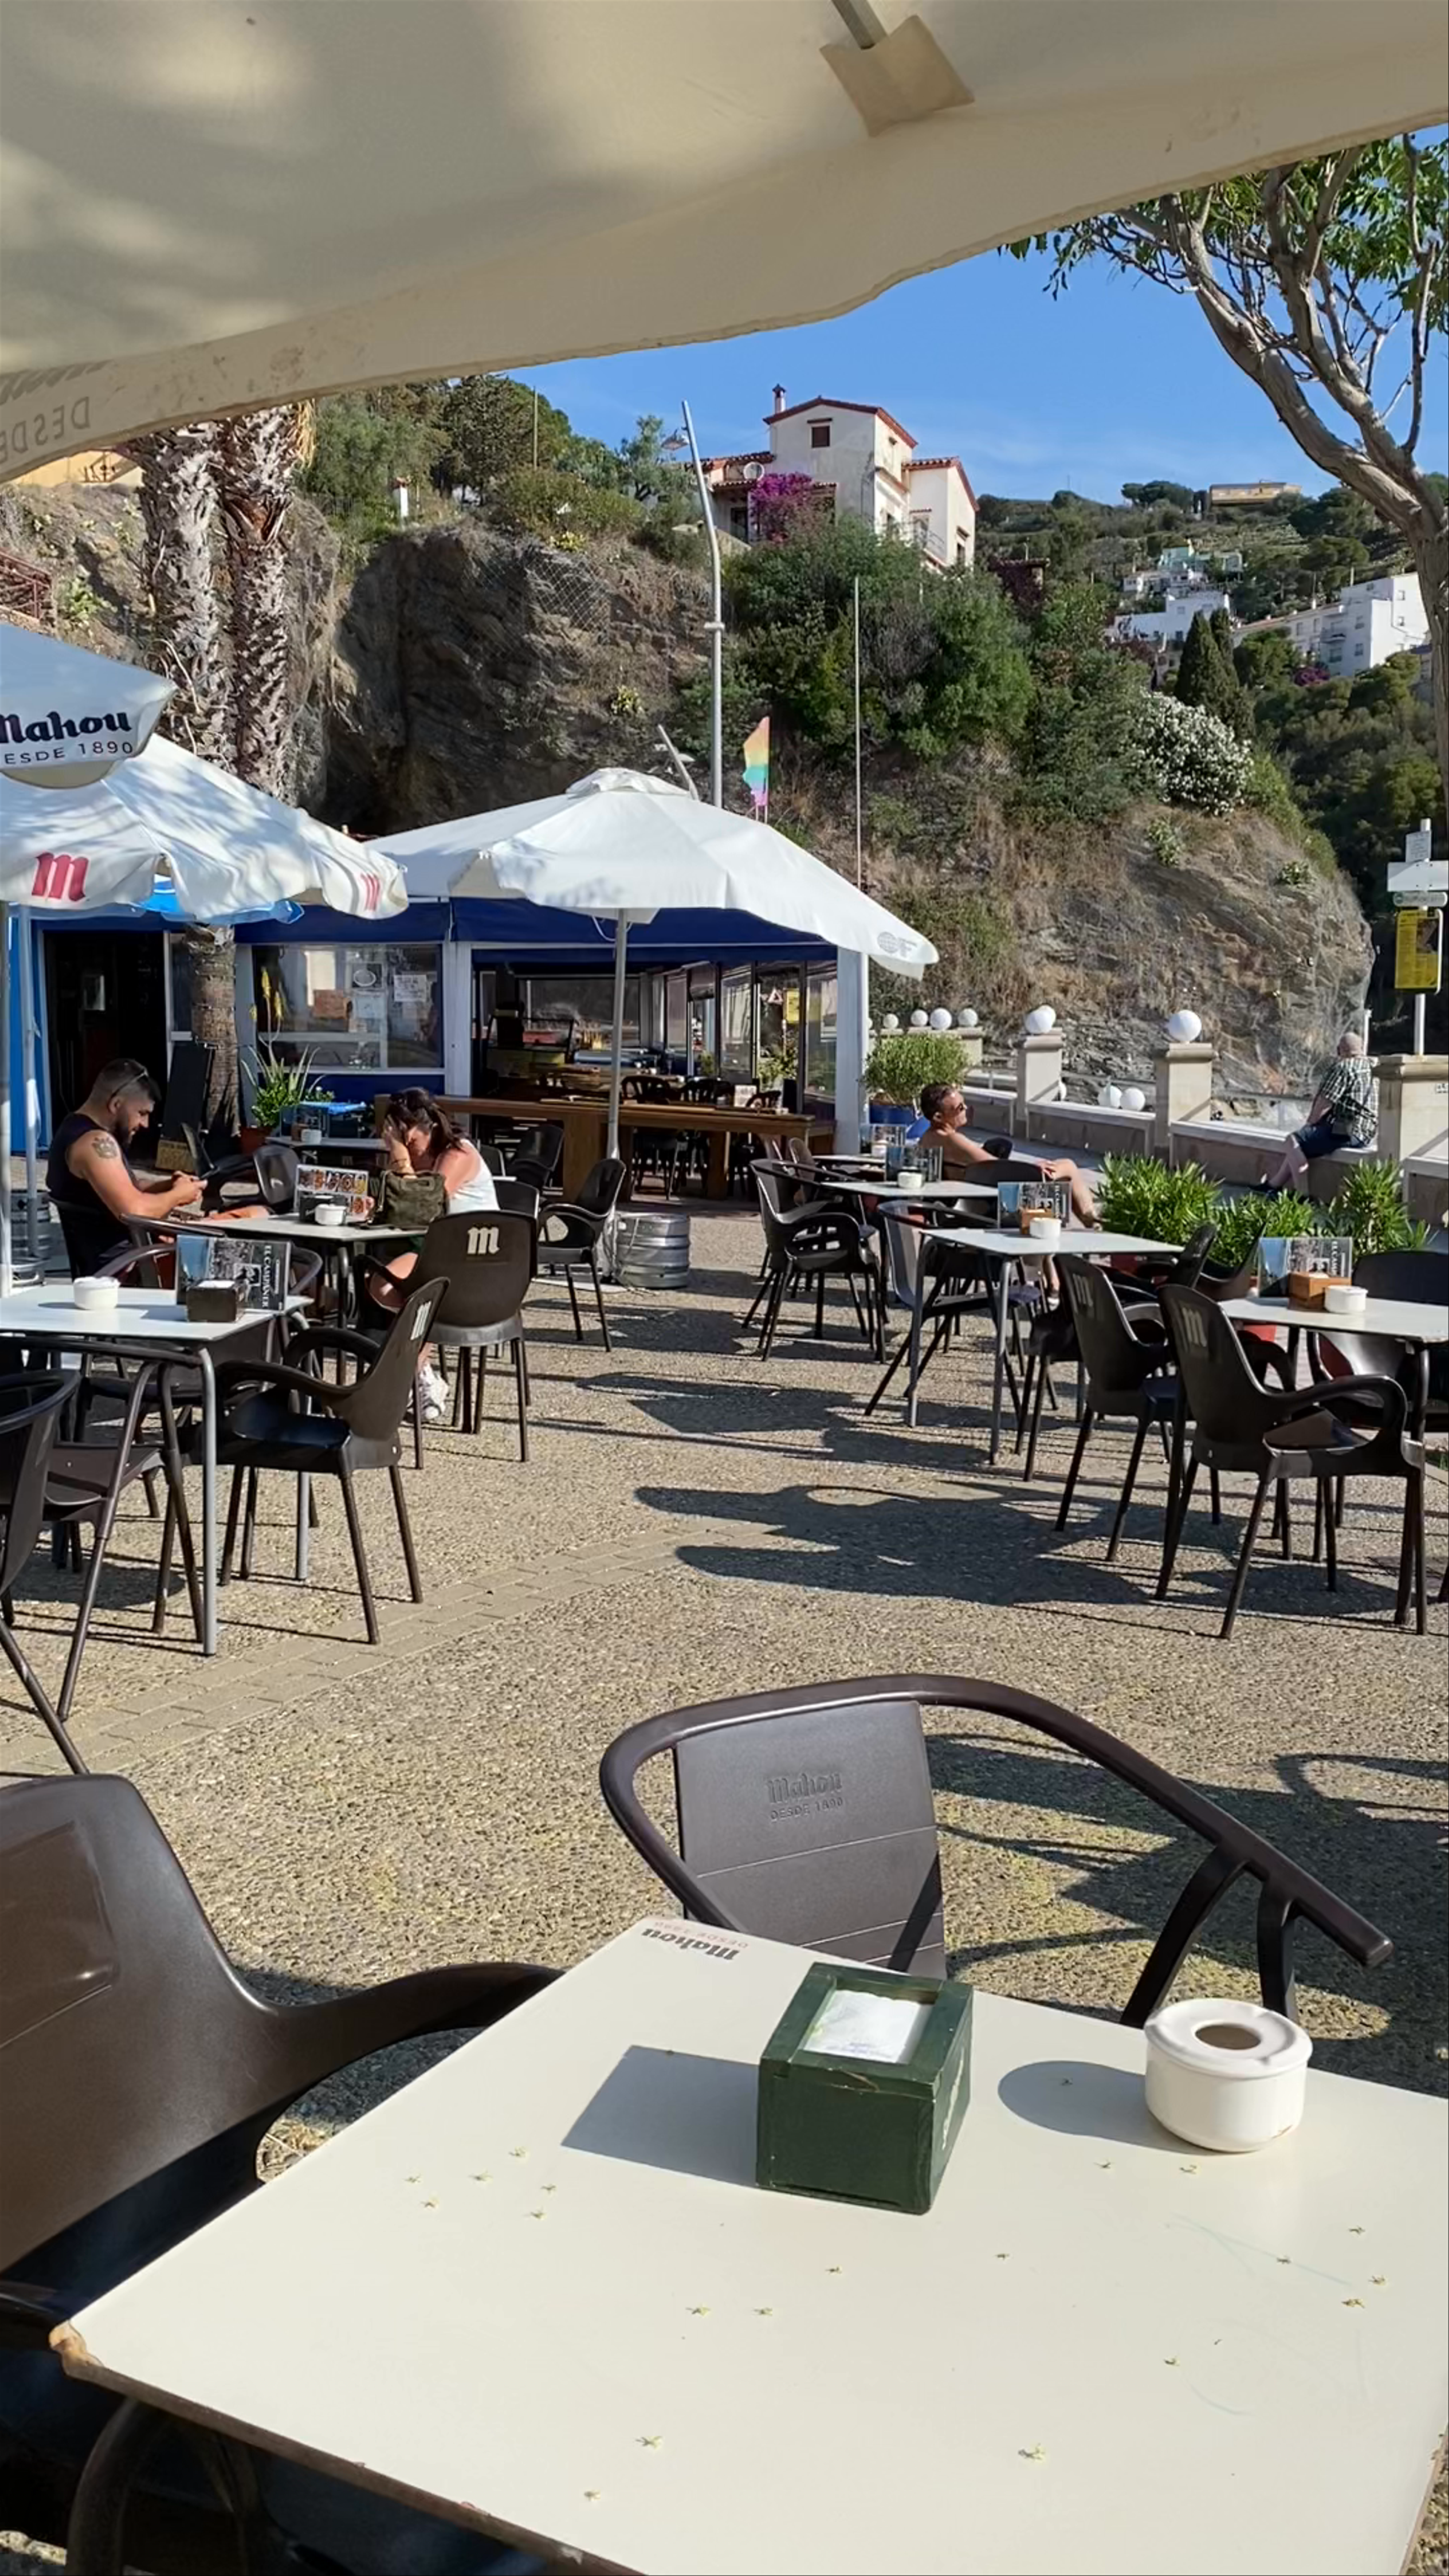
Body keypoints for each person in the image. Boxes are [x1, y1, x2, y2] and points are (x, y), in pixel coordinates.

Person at [366, 1089, 499, 1422]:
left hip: (477, 1259)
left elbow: (420, 1209)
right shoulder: (419, 1157)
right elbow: (401, 1208)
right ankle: (422, 1370)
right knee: (381, 1286)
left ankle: (419, 1378)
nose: (409, 1149)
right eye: (399, 1141)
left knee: (419, 1295)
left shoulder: (458, 1154)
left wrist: (399, 1157)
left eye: (410, 1140)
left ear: (427, 1130)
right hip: (436, 1250)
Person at [46, 1057, 203, 1275]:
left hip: (128, 1258)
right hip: (126, 1269)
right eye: (142, 1113)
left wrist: (169, 1185)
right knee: (239, 1229)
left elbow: (126, 1187)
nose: (145, 1125)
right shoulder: (95, 1144)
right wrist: (178, 1195)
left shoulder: (72, 1129)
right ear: (116, 1104)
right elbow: (134, 1211)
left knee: (244, 1216)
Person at [918, 1083, 1099, 1227]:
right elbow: (996, 1168)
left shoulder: (928, 1139)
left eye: (964, 1104)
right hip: (993, 1209)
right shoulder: (953, 1140)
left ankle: (1056, 1267)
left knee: (1059, 1186)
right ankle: (1093, 1226)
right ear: (938, 1117)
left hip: (971, 1206)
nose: (966, 1109)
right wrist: (1034, 1169)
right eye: (959, 1108)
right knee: (1067, 1167)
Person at [1267, 1031, 1376, 1186]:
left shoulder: (1344, 1067)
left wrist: (1310, 1124)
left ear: (1341, 1050)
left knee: (1293, 1141)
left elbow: (1325, 1103)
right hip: (1367, 1133)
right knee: (1303, 1142)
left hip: (1346, 1132)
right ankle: (1274, 1185)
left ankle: (1302, 1196)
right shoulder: (1372, 1067)